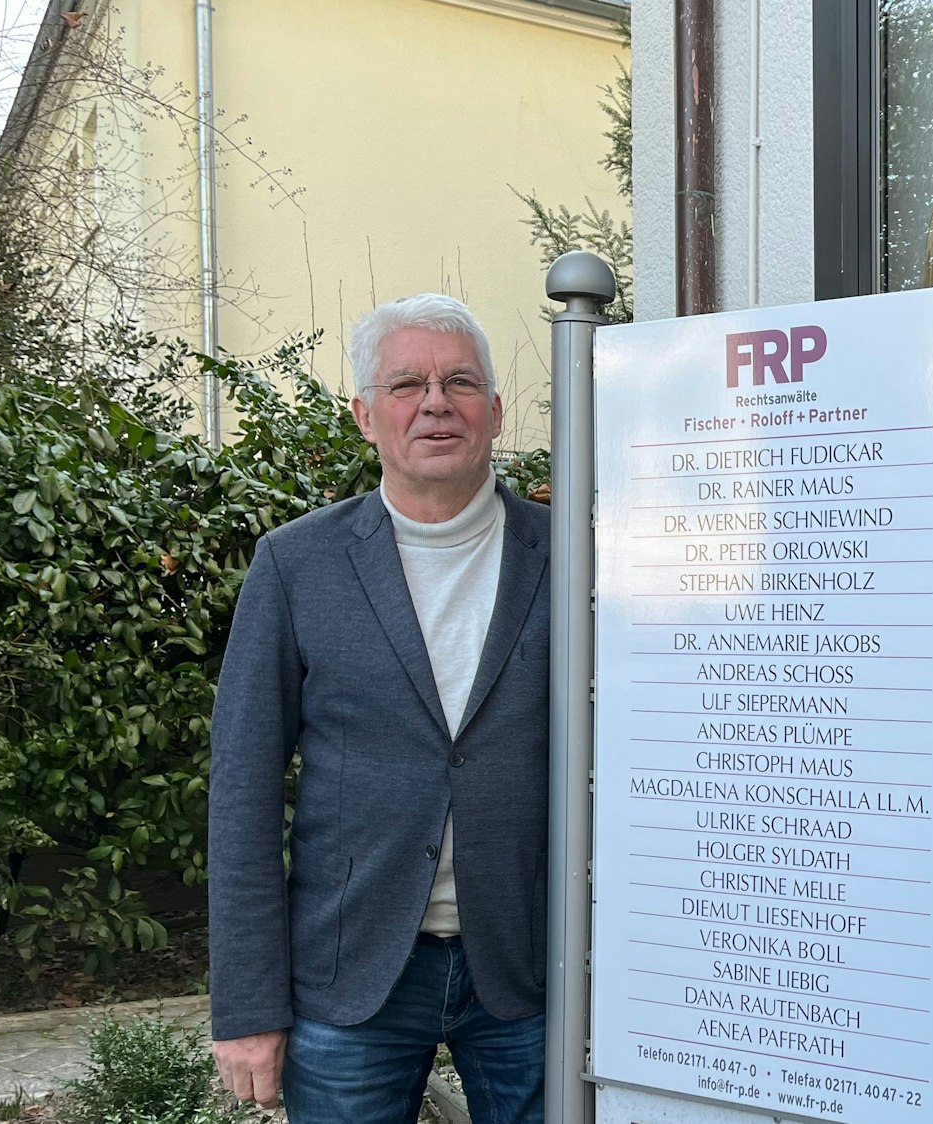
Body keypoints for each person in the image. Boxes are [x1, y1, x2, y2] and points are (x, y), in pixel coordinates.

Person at [207, 294, 551, 1124]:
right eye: (406, 384)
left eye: (460, 381)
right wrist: (249, 1008)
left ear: (495, 412)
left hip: (537, 970)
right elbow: (243, 793)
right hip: (351, 971)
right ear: (366, 415)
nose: (435, 402)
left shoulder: (578, 552)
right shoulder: (295, 564)